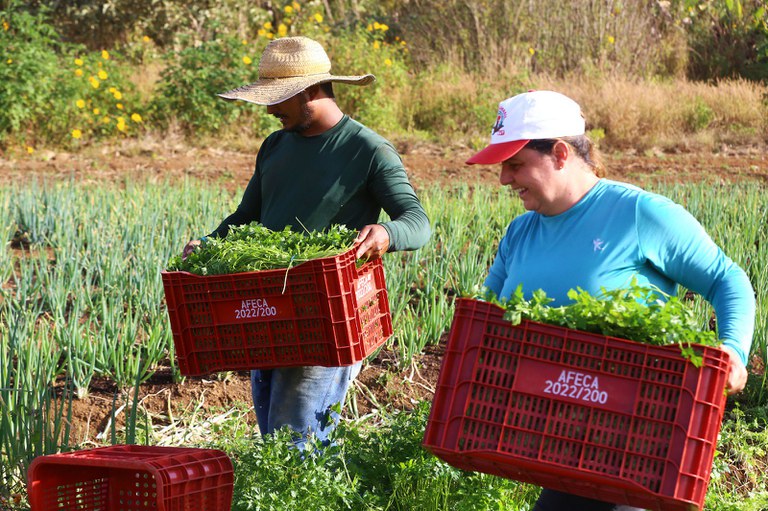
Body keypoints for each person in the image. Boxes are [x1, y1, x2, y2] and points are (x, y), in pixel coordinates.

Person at [466, 90, 755, 511]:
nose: (504, 179)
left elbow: (727, 280)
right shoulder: (520, 232)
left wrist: (732, 350)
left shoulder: (640, 215)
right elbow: (487, 317)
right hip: (557, 443)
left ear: (560, 154)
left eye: (515, 164)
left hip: (636, 443)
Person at [183, 36, 431, 447]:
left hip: (324, 314)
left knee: (298, 441)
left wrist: (387, 233)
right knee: (276, 435)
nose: (269, 110)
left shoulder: (367, 150)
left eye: (278, 99)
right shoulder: (276, 146)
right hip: (271, 310)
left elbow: (418, 222)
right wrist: (209, 244)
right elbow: (247, 218)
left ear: (311, 91)